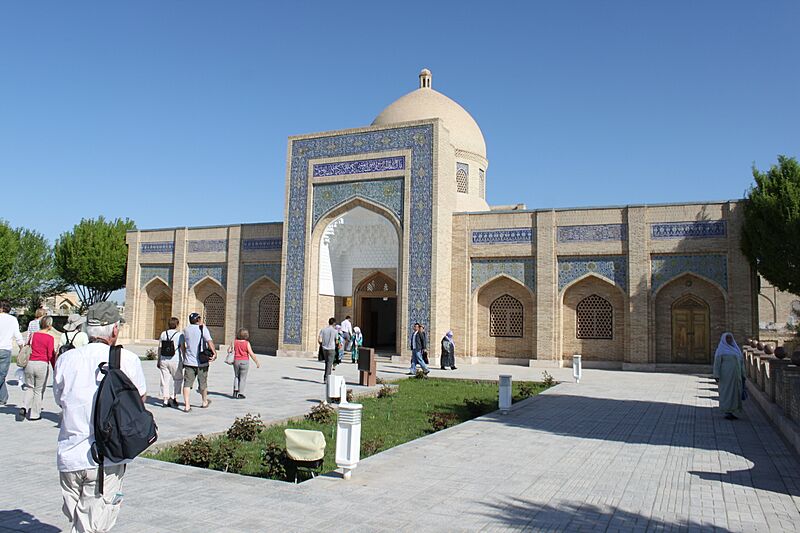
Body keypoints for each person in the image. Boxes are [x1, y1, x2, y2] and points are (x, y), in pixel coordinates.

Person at [53, 301, 146, 533]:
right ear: (115, 329)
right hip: (106, 458)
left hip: (70, 456)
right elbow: (139, 402)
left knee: (80, 522)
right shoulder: (126, 360)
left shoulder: (66, 359)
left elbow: (60, 400)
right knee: (90, 527)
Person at [20, 315, 57, 421]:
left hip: (30, 363)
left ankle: (24, 406)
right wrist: (54, 367)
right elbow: (50, 355)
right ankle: (35, 414)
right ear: (49, 325)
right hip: (42, 364)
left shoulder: (33, 335)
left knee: (30, 387)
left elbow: (27, 346)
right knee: (38, 390)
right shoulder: (50, 338)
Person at [181, 312, 216, 412]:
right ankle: (204, 401)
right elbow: (209, 341)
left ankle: (187, 405)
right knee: (203, 383)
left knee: (187, 383)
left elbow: (183, 346)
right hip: (202, 361)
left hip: (189, 361)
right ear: (198, 320)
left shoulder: (185, 330)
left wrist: (185, 356)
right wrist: (214, 353)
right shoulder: (202, 328)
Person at [713, 332, 745, 420]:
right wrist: (716, 375)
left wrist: (743, 374)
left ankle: (733, 411)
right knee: (726, 393)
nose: (729, 340)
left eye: (730, 338)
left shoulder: (736, 349)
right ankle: (727, 411)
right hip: (726, 376)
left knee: (735, 393)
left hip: (736, 376)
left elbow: (741, 362)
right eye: (727, 338)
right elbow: (717, 364)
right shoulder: (721, 350)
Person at [0, 300, 25, 406]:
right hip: (6, 350)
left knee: (1, 376)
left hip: (4, 349)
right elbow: (17, 335)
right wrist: (22, 347)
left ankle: (3, 398)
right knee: (2, 375)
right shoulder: (13, 319)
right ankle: (3, 398)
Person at [157, 317, 184, 408]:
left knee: (164, 380)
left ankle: (165, 400)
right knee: (178, 379)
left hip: (164, 359)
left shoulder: (163, 334)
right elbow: (182, 348)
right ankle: (173, 396)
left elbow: (160, 348)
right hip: (175, 360)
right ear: (177, 325)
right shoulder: (179, 335)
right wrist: (184, 359)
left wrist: (159, 360)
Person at [229, 328, 260, 399]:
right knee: (243, 378)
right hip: (244, 361)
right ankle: (241, 393)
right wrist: (256, 362)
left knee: (236, 376)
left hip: (236, 361)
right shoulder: (246, 343)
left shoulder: (234, 342)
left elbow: (229, 350)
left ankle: (235, 391)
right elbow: (251, 353)